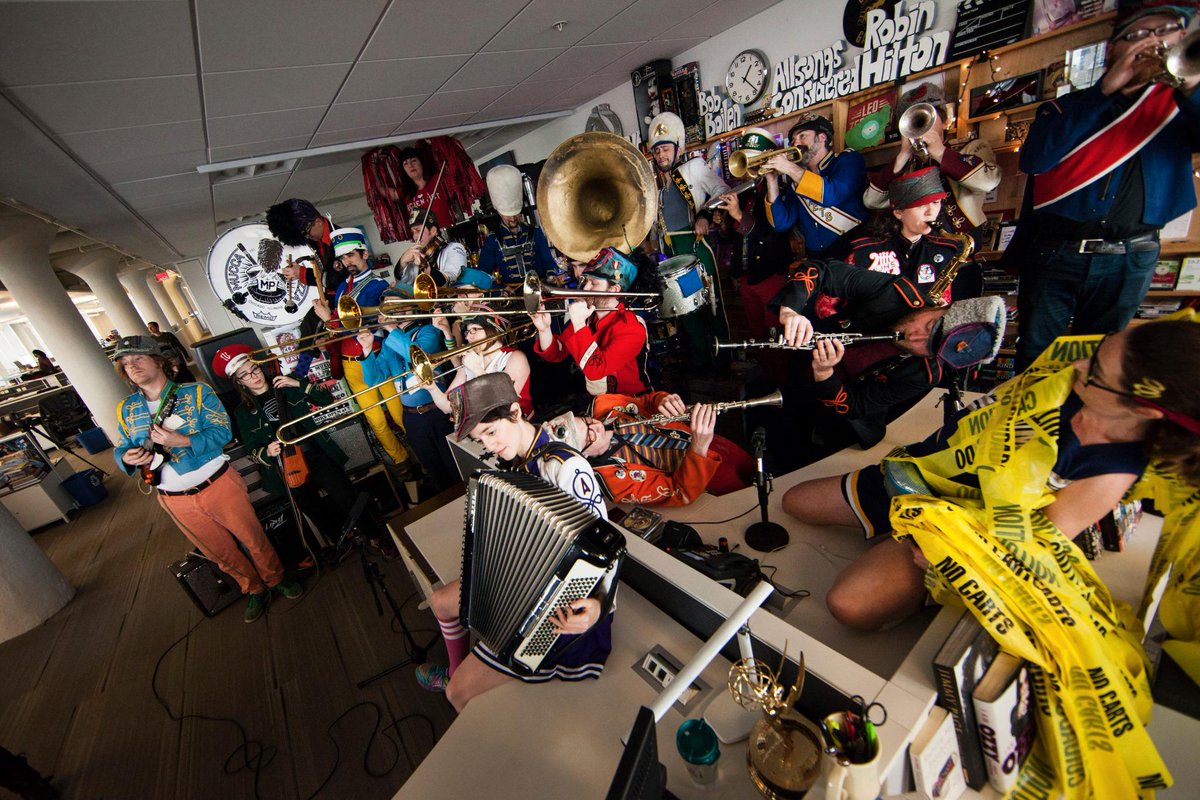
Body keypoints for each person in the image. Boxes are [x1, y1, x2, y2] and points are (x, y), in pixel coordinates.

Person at [782, 317, 1200, 631]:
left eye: (1097, 373)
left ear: (1142, 408)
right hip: (922, 475)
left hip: (957, 527)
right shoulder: (1066, 372)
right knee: (794, 502)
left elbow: (1032, 547)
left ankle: (919, 586)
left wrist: (954, 557)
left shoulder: (1113, 473)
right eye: (1101, 347)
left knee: (849, 607)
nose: (1080, 363)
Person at [1006, 1, 1200, 370]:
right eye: (1138, 34)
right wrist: (1104, 91)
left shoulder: (1176, 109)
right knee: (1035, 355)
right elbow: (1035, 159)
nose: (1152, 43)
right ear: (1113, 49)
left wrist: (1190, 86)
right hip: (1056, 252)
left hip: (1131, 255)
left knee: (1099, 361)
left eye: (1165, 32)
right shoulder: (1067, 108)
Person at [415, 373, 611, 710]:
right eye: (481, 440)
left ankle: (463, 688)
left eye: (491, 433)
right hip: (525, 580)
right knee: (440, 601)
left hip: (564, 607)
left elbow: (605, 550)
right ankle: (455, 667)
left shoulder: (566, 468)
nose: (489, 446)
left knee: (457, 694)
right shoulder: (517, 462)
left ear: (516, 413)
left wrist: (598, 606)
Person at [112, 336, 301, 623]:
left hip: (217, 484)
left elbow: (223, 433)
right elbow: (124, 445)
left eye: (137, 359)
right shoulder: (126, 408)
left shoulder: (196, 392)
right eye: (126, 364)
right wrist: (126, 458)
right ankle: (253, 589)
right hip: (173, 498)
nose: (132, 366)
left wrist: (183, 440)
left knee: (252, 537)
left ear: (159, 361)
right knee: (218, 553)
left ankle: (275, 579)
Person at [215, 345, 394, 567]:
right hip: (286, 464)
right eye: (246, 375)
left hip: (315, 452)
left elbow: (326, 399)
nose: (254, 377)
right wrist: (267, 452)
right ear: (239, 382)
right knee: (312, 508)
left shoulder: (286, 383)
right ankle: (343, 539)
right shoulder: (243, 412)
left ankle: (375, 536)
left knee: (346, 495)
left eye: (255, 370)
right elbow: (252, 448)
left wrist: (298, 384)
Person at [807, 295, 1007, 450]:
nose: (914, 338)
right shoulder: (903, 295)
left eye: (929, 347)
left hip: (818, 402)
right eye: (929, 326)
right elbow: (828, 272)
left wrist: (824, 373)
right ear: (942, 306)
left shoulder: (924, 375)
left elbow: (855, 406)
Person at [311, 228, 413, 474]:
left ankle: (423, 450)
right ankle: (401, 461)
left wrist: (329, 319)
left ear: (364, 253)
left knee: (400, 413)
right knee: (376, 421)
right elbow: (341, 328)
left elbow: (367, 326)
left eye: (351, 256)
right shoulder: (343, 291)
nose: (347, 262)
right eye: (343, 258)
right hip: (350, 364)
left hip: (376, 358)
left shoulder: (377, 286)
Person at [548, 391, 755, 506]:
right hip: (706, 475)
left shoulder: (602, 405)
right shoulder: (611, 483)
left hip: (712, 440)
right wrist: (699, 448)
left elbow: (645, 401)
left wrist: (662, 400)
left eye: (586, 420)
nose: (596, 425)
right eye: (590, 434)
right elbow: (679, 493)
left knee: (758, 470)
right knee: (753, 501)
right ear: (584, 456)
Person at [864, 82, 1001, 243]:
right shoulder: (906, 163)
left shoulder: (969, 148)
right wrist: (903, 155)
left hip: (961, 241)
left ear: (944, 120)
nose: (923, 127)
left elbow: (989, 181)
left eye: (928, 118)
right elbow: (872, 201)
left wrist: (940, 152)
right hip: (921, 247)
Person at [648, 111, 732, 367]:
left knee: (711, 306)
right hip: (672, 256)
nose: (661, 155)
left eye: (665, 149)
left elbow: (723, 190)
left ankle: (723, 361)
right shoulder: (655, 185)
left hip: (695, 249)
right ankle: (700, 362)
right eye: (657, 151)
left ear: (677, 148)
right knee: (686, 311)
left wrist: (705, 214)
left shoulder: (693, 167)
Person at [355, 301, 459, 494]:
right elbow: (374, 379)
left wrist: (393, 330)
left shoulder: (428, 331)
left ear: (414, 307)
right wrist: (367, 350)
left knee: (455, 465)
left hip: (438, 411)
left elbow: (417, 356)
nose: (397, 310)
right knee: (434, 471)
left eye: (401, 305)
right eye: (391, 306)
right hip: (412, 417)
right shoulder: (388, 343)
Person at [531, 247, 650, 397]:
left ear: (614, 289)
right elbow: (558, 353)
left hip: (632, 403)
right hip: (599, 404)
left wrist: (579, 324)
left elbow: (596, 370)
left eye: (593, 284)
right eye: (586, 281)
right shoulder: (588, 317)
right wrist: (544, 329)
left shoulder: (632, 327)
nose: (585, 288)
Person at [715, 129, 796, 345]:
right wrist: (723, 223)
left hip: (770, 274)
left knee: (775, 334)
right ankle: (769, 376)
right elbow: (731, 238)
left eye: (754, 158)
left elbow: (774, 233)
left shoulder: (782, 190)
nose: (750, 165)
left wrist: (739, 215)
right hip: (746, 275)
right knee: (756, 335)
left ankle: (781, 378)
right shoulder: (745, 192)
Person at [848, 167, 965, 304]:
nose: (931, 212)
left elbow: (944, 296)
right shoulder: (864, 250)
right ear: (898, 212)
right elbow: (826, 305)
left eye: (935, 202)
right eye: (921, 205)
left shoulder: (945, 250)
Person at [765, 115, 868, 259]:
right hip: (818, 260)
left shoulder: (848, 159)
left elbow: (831, 195)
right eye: (793, 140)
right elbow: (781, 224)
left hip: (852, 252)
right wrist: (771, 180)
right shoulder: (797, 179)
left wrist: (790, 168)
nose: (796, 143)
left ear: (822, 137)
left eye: (802, 136)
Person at [271, 198, 349, 378]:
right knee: (308, 330)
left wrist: (303, 274)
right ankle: (301, 373)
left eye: (307, 232)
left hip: (345, 298)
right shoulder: (316, 240)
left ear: (317, 221)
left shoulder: (339, 238)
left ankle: (300, 375)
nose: (307, 237)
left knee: (311, 330)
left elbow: (338, 279)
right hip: (330, 297)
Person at [426, 308, 533, 418]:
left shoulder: (515, 357)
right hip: (485, 428)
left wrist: (477, 369)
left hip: (517, 425)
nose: (467, 337)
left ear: (494, 330)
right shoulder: (471, 361)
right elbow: (447, 407)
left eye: (474, 329)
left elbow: (504, 406)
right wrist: (432, 387)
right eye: (467, 332)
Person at [477, 165, 556, 287]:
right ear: (499, 212)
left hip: (540, 288)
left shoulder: (535, 232)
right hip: (512, 294)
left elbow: (548, 263)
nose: (513, 219)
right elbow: (483, 273)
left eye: (516, 214)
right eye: (508, 216)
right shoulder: (492, 239)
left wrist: (552, 276)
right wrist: (500, 289)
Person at [397, 208, 494, 290]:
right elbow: (405, 286)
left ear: (433, 231)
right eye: (412, 232)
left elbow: (450, 280)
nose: (415, 237)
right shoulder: (418, 255)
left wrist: (424, 266)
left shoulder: (454, 248)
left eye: (418, 230)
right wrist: (402, 263)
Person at [399, 146, 454, 236]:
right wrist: (372, 164)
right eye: (405, 163)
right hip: (426, 240)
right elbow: (383, 192)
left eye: (413, 160)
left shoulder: (437, 179)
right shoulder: (406, 193)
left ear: (421, 162)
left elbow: (449, 163)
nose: (410, 165)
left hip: (447, 233)